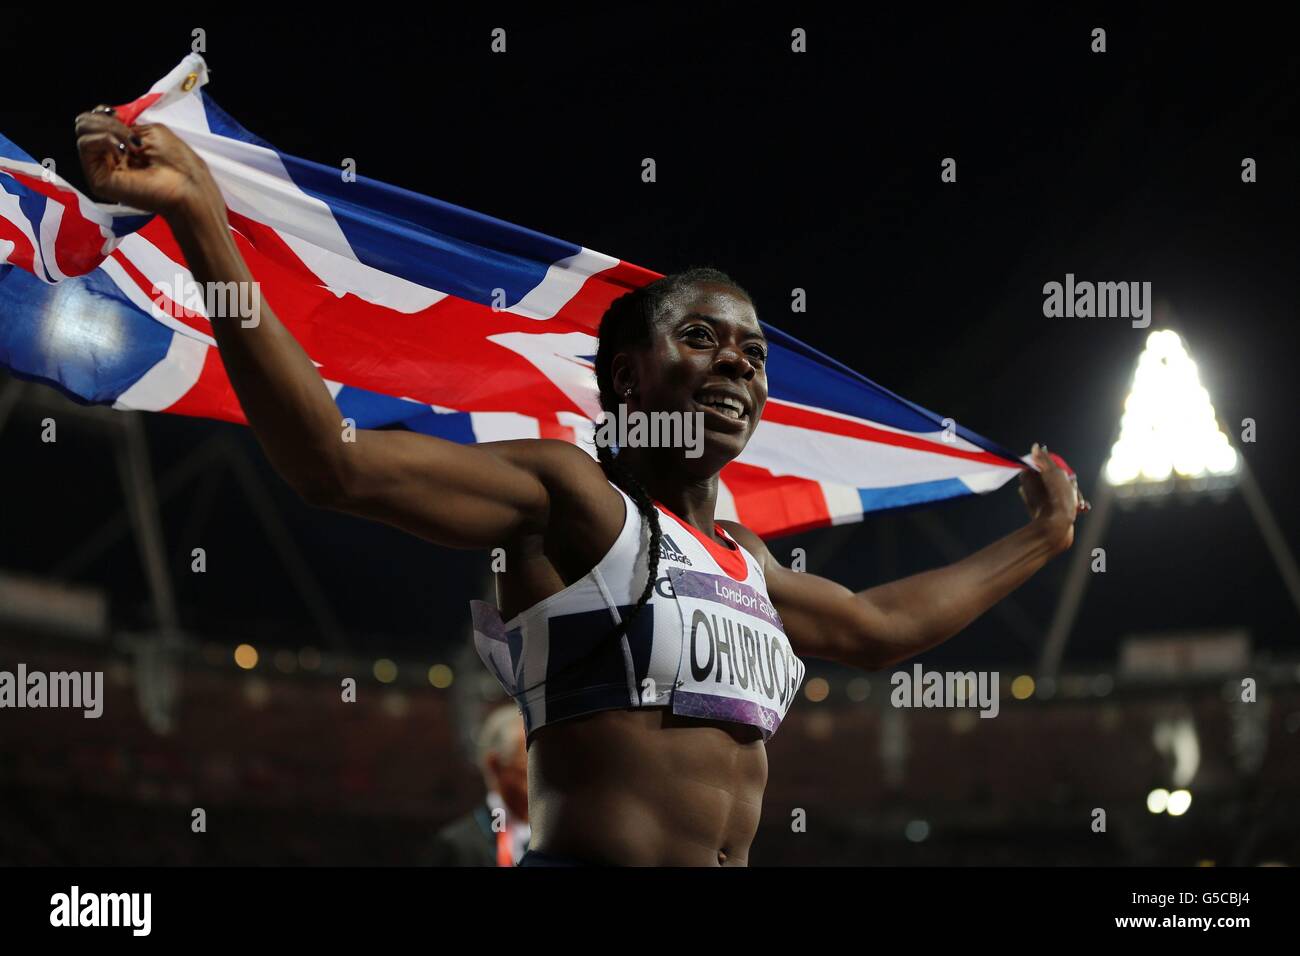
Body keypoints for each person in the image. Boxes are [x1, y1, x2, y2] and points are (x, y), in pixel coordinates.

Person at [74, 107, 1090, 867]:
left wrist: (1042, 539)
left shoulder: (744, 559)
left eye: (752, 352)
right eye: (702, 338)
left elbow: (878, 628)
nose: (738, 365)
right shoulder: (574, 498)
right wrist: (203, 220)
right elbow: (331, 464)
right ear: (627, 378)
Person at [423, 705, 530, 866]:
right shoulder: (458, 845)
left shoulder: (555, 838)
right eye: (528, 759)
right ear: (495, 765)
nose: (541, 770)